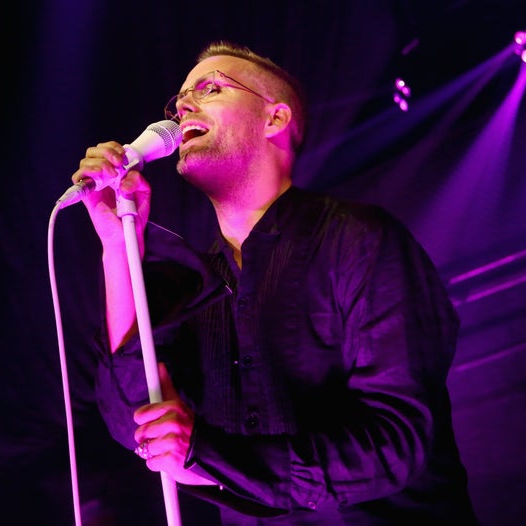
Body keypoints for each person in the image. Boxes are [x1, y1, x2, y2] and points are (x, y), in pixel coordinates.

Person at [71, 40, 480, 525]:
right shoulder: (193, 288)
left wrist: (207, 453)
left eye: (211, 88)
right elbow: (135, 416)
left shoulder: (360, 240)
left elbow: (397, 439)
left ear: (275, 120)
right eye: (178, 98)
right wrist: (119, 246)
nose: (183, 106)